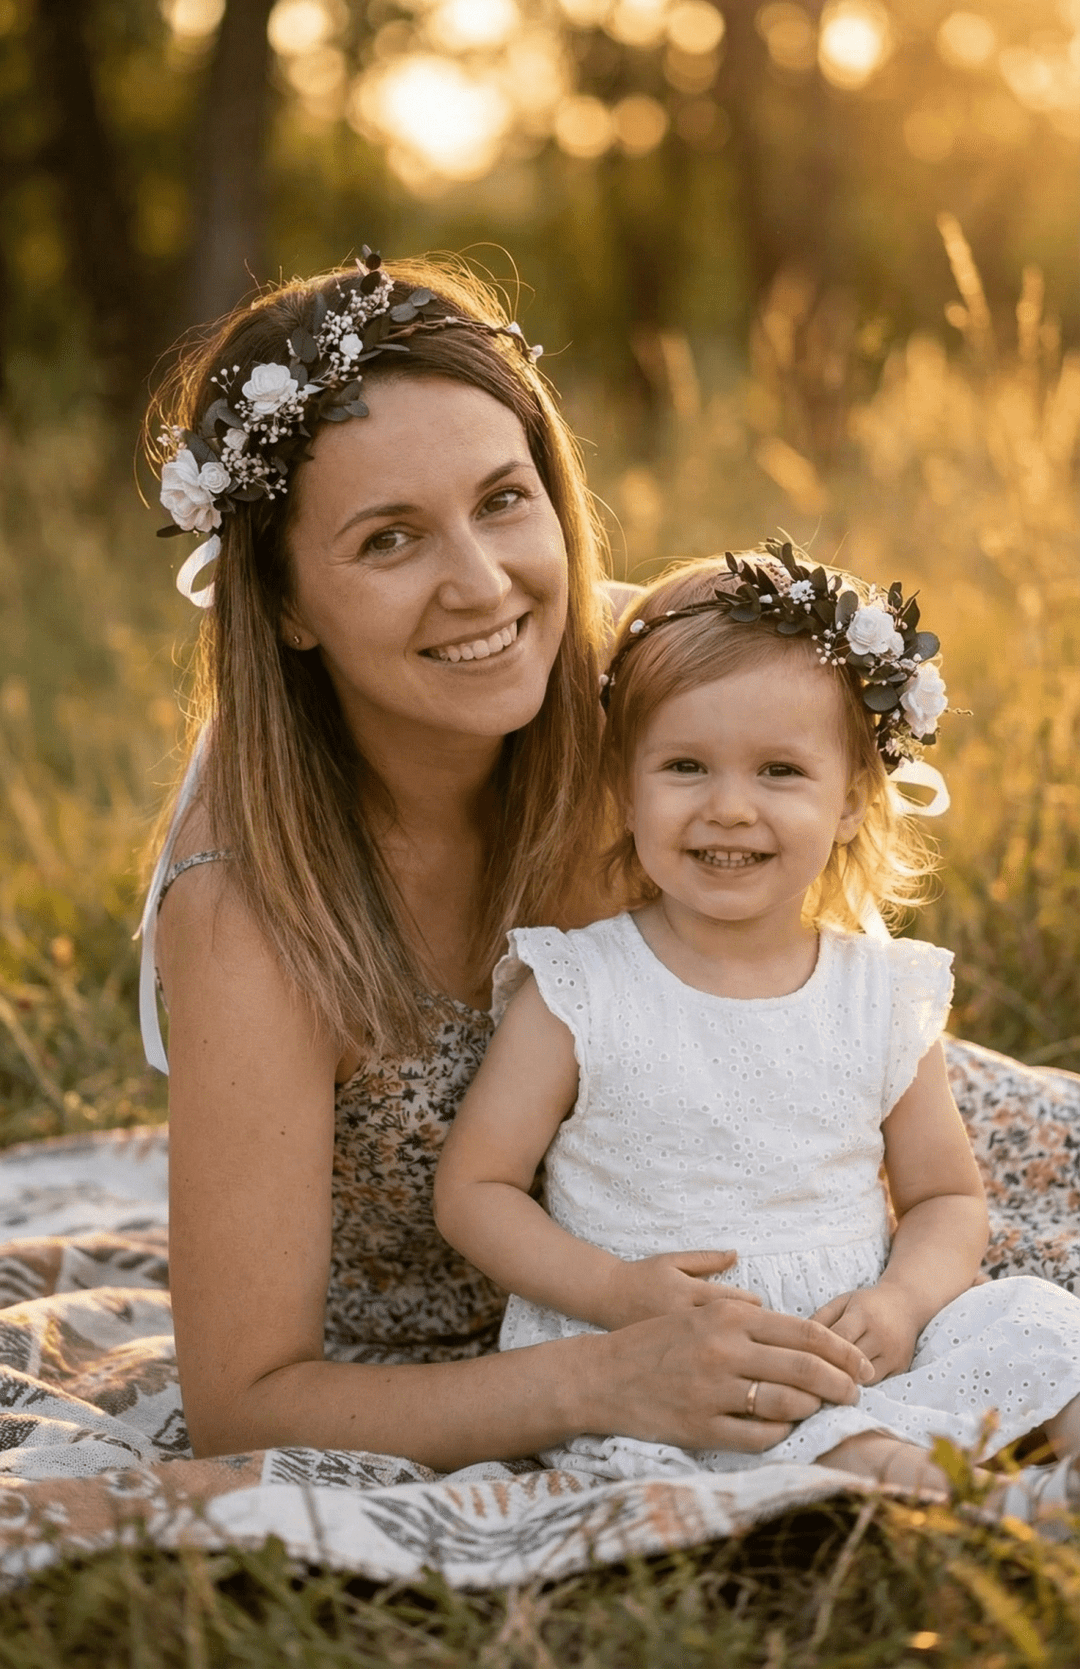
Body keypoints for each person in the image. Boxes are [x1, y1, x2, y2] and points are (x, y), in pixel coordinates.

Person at [144, 258, 874, 1471]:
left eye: (503, 500)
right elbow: (241, 1407)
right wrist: (602, 1379)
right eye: (389, 540)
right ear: (283, 604)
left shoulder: (637, 704)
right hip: (465, 1364)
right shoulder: (249, 901)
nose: (483, 587)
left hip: (781, 1217)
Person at [435, 544, 1080, 1494]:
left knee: (1041, 1320)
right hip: (666, 1352)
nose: (728, 808)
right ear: (625, 786)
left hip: (859, 1334)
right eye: (686, 765)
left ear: (854, 799)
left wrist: (902, 1301)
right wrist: (614, 1292)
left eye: (780, 770)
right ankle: (938, 1496)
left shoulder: (878, 992)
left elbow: (946, 1198)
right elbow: (475, 1188)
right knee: (844, 1448)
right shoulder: (582, 984)